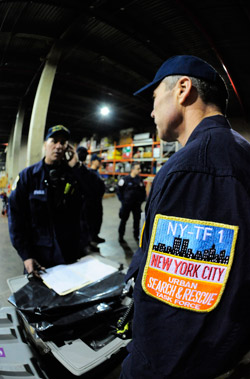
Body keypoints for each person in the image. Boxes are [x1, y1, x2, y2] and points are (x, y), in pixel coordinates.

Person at [120, 55, 250, 379]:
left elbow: (176, 310)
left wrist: (139, 370)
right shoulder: (240, 152)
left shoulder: (195, 169)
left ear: (182, 89)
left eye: (153, 99)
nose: (151, 112)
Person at [8, 125, 85, 275]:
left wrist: (77, 165)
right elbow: (16, 218)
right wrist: (26, 255)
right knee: (37, 296)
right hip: (39, 256)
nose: (58, 146)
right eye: (53, 141)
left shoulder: (73, 175)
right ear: (45, 145)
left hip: (69, 252)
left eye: (62, 143)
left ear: (67, 148)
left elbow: (95, 193)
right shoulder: (28, 177)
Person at [117, 162, 146, 243]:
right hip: (126, 204)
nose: (139, 170)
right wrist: (122, 201)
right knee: (123, 220)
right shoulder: (124, 180)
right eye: (138, 169)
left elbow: (143, 191)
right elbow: (119, 191)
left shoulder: (139, 180)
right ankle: (121, 236)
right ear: (133, 169)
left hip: (136, 205)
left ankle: (136, 235)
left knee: (137, 221)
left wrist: (141, 201)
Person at [88, 153, 106, 244]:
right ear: (93, 161)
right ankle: (90, 240)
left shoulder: (97, 173)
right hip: (92, 202)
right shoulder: (89, 173)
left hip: (98, 201)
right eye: (98, 161)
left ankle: (95, 236)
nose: (100, 162)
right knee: (92, 220)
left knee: (98, 219)